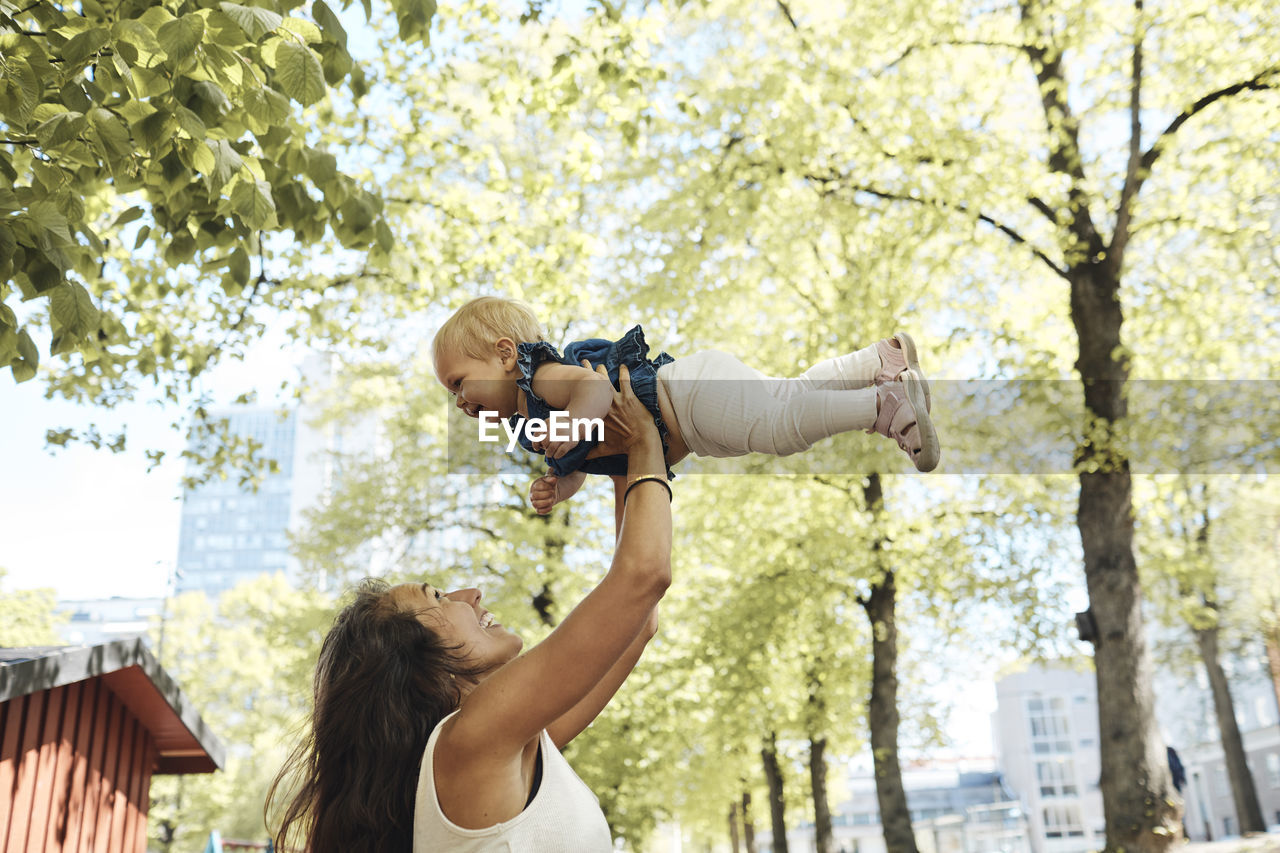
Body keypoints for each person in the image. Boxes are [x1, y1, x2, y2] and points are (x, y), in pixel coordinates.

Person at [267, 365, 672, 852]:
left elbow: (638, 621)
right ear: (415, 663)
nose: (472, 594)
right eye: (438, 597)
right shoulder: (473, 738)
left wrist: (619, 461)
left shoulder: (512, 740)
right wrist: (645, 443)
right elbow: (643, 578)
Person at [432, 295, 939, 515]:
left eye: (458, 383)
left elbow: (598, 393)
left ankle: (881, 406)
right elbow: (585, 462)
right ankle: (879, 360)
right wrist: (559, 486)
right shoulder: (532, 422)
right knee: (791, 398)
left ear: (503, 355)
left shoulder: (543, 378)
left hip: (687, 395)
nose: (459, 402)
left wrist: (572, 422)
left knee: (781, 428)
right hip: (694, 421)